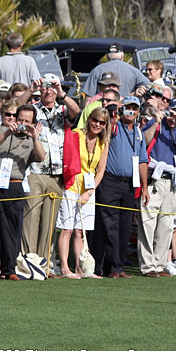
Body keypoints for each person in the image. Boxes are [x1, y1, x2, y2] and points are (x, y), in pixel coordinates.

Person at [21, 75, 79, 262]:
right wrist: (31, 90)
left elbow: (77, 112)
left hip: (56, 173)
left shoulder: (62, 109)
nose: (48, 91)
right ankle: (28, 260)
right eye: (45, 87)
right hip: (36, 170)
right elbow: (15, 107)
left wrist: (62, 93)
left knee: (49, 223)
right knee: (31, 219)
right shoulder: (33, 109)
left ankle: (44, 261)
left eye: (52, 87)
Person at [0, 104, 45, 280]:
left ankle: (9, 269)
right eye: (20, 120)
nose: (22, 124)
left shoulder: (31, 138)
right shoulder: (1, 130)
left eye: (27, 121)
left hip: (14, 185)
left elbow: (41, 157)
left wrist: (35, 137)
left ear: (33, 123)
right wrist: (7, 133)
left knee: (10, 230)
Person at [138, 98, 176, 276]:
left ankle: (160, 263)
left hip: (172, 181)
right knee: (148, 222)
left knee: (166, 224)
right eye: (172, 111)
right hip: (154, 178)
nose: (173, 116)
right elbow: (144, 142)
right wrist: (156, 122)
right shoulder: (156, 122)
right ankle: (148, 265)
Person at [91, 96, 148, 278]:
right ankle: (112, 266)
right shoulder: (114, 127)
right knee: (109, 225)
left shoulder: (138, 132)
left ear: (139, 112)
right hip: (110, 181)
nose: (132, 112)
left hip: (130, 184)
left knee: (124, 226)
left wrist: (144, 187)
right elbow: (106, 126)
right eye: (128, 108)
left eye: (135, 109)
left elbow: (143, 161)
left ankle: (117, 265)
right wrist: (115, 112)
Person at [57, 107, 111, 278]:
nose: (97, 124)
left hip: (88, 188)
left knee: (81, 231)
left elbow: (100, 171)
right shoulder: (76, 135)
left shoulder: (103, 143)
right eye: (95, 120)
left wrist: (89, 191)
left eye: (102, 122)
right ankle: (65, 267)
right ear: (89, 119)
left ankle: (80, 268)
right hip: (72, 185)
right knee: (67, 229)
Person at [81, 43, 152, 98]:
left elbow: (89, 96)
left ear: (107, 56)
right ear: (122, 56)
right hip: (125, 109)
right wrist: (133, 94)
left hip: (103, 111)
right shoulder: (133, 70)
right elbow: (149, 86)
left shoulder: (97, 70)